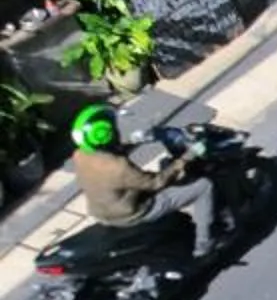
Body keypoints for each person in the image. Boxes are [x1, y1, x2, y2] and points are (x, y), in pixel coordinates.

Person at [70, 105, 216, 260]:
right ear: (109, 134)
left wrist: (135, 141)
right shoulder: (119, 167)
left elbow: (110, 152)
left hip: (102, 211)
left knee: (166, 167)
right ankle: (204, 243)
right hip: (133, 214)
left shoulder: (80, 155)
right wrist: (188, 157)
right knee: (204, 186)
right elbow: (156, 183)